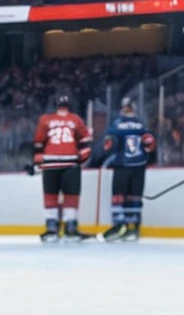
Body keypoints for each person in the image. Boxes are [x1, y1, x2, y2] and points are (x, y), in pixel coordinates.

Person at [27, 93, 93, 242]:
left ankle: (52, 228)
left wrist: (37, 162)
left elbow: (38, 143)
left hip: (50, 163)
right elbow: (85, 142)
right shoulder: (75, 119)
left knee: (50, 196)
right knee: (71, 196)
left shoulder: (45, 119)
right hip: (70, 162)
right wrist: (82, 155)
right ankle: (71, 228)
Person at [100, 96, 156, 242]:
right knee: (135, 197)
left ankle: (119, 225)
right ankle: (133, 228)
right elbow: (150, 146)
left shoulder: (116, 125)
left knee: (118, 196)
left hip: (122, 166)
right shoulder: (142, 126)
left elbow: (108, 146)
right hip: (138, 165)